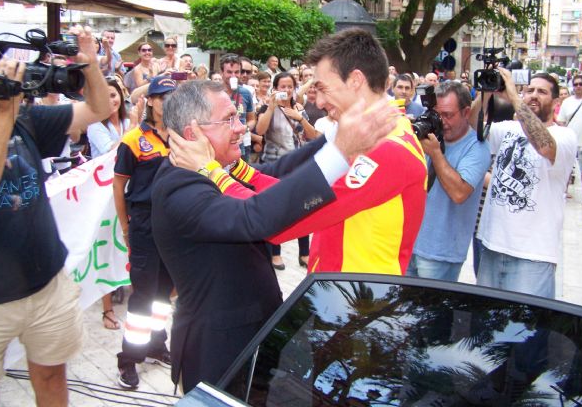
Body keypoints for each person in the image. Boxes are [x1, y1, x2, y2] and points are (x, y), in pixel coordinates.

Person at [153, 79, 400, 393]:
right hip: (219, 351)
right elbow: (255, 217)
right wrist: (340, 153)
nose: (241, 127)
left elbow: (278, 173)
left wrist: (338, 134)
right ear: (193, 134)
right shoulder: (179, 187)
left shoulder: (208, 168)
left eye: (238, 117)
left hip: (252, 337)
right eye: (229, 120)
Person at [0, 26, 110, 405]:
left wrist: (89, 62)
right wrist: (6, 113)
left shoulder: (21, 117)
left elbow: (98, 109)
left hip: (46, 285)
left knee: (52, 377)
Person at [253, 28, 429, 275]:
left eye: (323, 88)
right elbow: (297, 189)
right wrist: (238, 173)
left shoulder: (386, 148)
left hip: (355, 294)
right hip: (340, 287)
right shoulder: (372, 133)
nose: (319, 102)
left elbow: (287, 220)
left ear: (356, 80)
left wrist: (219, 178)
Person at [471, 69, 577, 298]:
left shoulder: (565, 136)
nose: (534, 95)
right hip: (491, 245)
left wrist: (514, 97)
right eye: (530, 90)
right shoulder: (508, 129)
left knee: (526, 320)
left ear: (556, 102)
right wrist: (485, 94)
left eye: (542, 92)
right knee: (486, 318)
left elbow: (544, 146)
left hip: (533, 255)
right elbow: (472, 128)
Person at [113, 76, 176, 389]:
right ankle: (129, 358)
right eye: (162, 97)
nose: (167, 102)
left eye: (172, 96)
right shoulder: (133, 139)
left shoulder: (181, 136)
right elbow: (118, 184)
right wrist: (125, 227)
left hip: (173, 224)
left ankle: (156, 344)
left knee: (165, 293)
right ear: (150, 101)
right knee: (143, 295)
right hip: (144, 223)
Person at [405, 81, 491, 282]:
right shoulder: (429, 135)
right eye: (436, 114)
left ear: (466, 112)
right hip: (409, 244)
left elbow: (459, 193)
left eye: (448, 115)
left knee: (432, 304)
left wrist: (436, 154)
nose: (441, 121)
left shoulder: (477, 147)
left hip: (440, 253)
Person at [255, 72, 316, 269]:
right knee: (276, 209)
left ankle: (304, 252)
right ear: (275, 88)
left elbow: (311, 135)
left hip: (298, 164)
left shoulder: (299, 108)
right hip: (274, 165)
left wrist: (300, 118)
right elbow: (260, 130)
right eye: (283, 86)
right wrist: (271, 107)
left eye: (290, 86)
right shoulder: (267, 108)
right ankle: (275, 253)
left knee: (302, 208)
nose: (287, 90)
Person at [87, 77, 132, 330]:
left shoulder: (126, 121)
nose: (110, 101)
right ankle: (107, 309)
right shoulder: (95, 125)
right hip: (104, 194)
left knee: (128, 242)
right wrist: (134, 128)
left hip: (129, 190)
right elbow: (114, 151)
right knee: (105, 248)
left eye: (113, 95)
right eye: (104, 96)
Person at [557, 74, 582, 204]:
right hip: (570, 142)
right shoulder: (567, 102)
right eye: (576, 84)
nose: (578, 86)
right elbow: (561, 121)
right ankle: (564, 191)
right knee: (567, 169)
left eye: (581, 84)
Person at [219, 54, 255, 161]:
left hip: (241, 147)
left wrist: (245, 128)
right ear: (221, 73)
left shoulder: (246, 93)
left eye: (237, 72)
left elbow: (252, 119)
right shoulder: (214, 92)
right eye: (229, 72)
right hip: (220, 147)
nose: (233, 76)